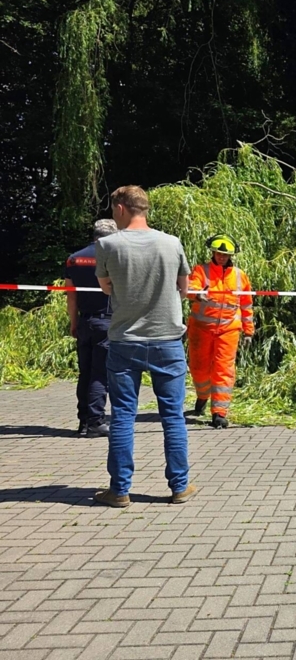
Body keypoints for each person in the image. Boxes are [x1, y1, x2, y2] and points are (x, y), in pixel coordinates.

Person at [93, 185, 199, 508]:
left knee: (123, 415)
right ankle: (179, 486)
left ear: (122, 208)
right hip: (167, 340)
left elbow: (105, 287)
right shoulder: (172, 243)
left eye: (113, 209)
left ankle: (120, 490)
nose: (113, 215)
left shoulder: (109, 245)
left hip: (125, 341)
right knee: (173, 416)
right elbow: (184, 288)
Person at [186, 234, 255, 429]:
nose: (221, 257)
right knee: (199, 368)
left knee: (223, 370)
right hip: (201, 329)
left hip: (228, 330)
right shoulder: (202, 270)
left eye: (225, 254)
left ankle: (219, 412)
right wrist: (198, 294)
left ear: (231, 255)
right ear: (213, 253)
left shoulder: (240, 276)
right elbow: (190, 288)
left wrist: (248, 331)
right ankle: (202, 397)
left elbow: (247, 304)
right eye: (219, 253)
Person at [66, 219, 118, 438]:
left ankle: (83, 421)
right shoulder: (113, 257)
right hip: (106, 321)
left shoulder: (74, 259)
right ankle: (96, 421)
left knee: (85, 372)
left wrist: (74, 322)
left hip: (84, 321)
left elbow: (71, 294)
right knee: (100, 374)